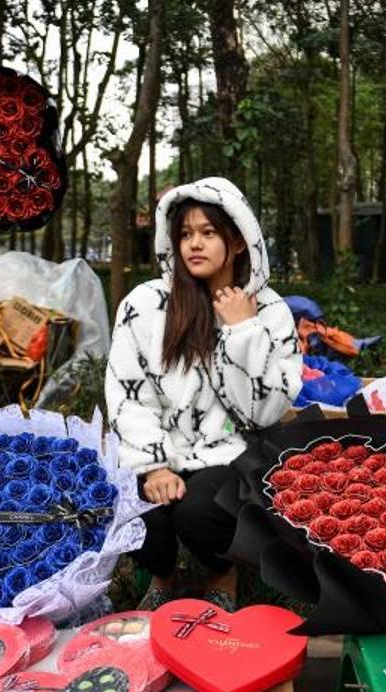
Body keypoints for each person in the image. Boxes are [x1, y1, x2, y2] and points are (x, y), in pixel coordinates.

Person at [105, 177, 303, 611]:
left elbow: (264, 412)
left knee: (197, 511)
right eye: (185, 234)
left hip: (232, 453)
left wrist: (242, 330)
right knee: (133, 505)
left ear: (235, 241)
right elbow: (128, 394)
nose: (194, 244)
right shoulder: (146, 304)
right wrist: (154, 466)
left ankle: (222, 572)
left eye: (208, 233)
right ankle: (162, 574)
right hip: (163, 450)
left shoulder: (268, 310)